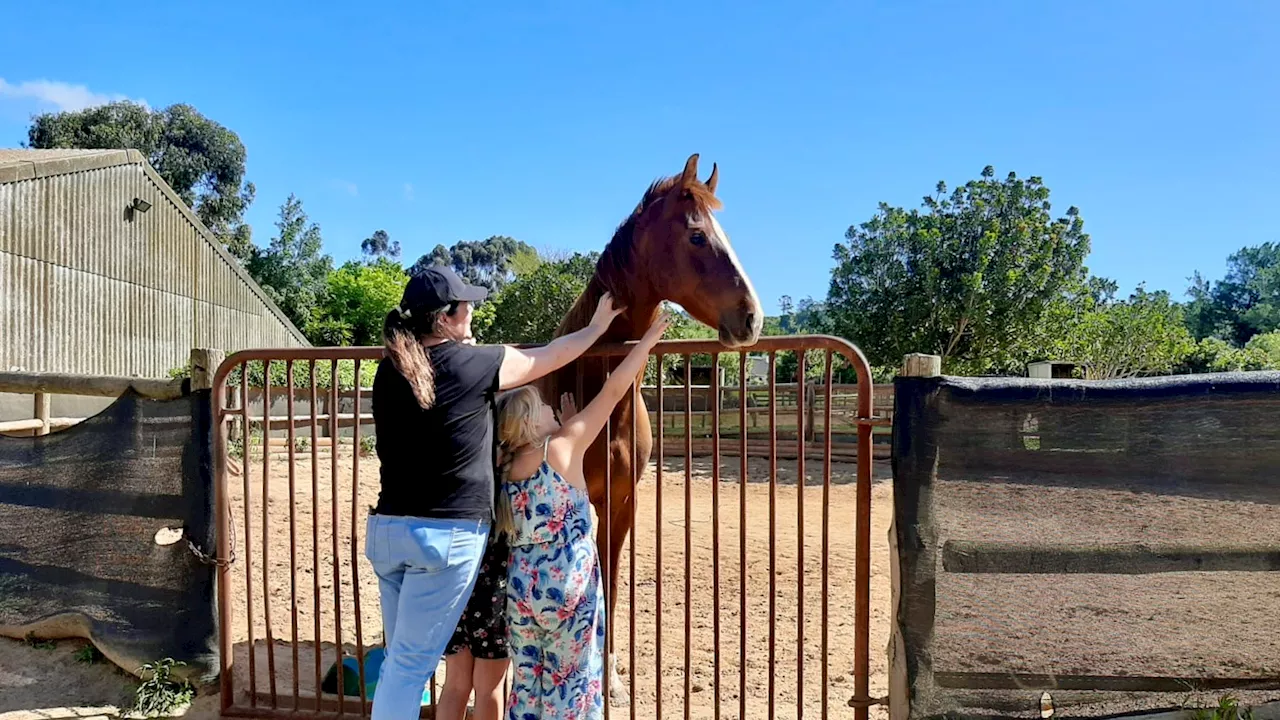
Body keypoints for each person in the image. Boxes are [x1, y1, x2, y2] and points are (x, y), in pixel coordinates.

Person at [366, 265, 624, 720]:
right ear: (446, 318)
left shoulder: (389, 371)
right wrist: (597, 329)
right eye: (465, 305)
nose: (472, 310)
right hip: (443, 537)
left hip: (387, 532)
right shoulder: (477, 363)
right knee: (410, 667)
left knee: (401, 663)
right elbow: (552, 355)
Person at [494, 310, 672, 720]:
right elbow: (612, 392)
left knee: (528, 682)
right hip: (567, 586)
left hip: (522, 588)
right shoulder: (562, 449)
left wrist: (565, 424)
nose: (547, 404)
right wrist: (644, 345)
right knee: (572, 684)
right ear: (528, 424)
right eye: (539, 406)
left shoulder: (504, 463)